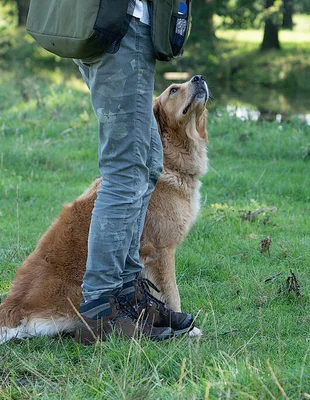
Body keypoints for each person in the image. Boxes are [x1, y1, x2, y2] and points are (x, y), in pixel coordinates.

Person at [73, 0, 194, 344]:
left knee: (147, 166)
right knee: (125, 173)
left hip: (124, 25)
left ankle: (128, 295)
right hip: (120, 24)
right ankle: (101, 308)